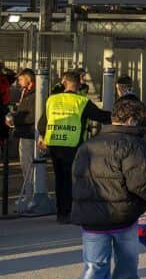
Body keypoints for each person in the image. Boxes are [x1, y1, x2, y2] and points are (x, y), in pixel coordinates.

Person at [71, 96, 146, 279]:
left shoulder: (88, 144)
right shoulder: (132, 145)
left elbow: (76, 178)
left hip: (92, 219)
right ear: (132, 120)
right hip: (124, 216)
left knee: (94, 268)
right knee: (127, 265)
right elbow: (139, 183)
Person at [37, 70, 111, 223]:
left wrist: (43, 138)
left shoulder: (52, 100)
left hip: (55, 145)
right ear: (79, 85)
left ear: (65, 83)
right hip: (73, 145)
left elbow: (41, 124)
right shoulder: (81, 102)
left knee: (60, 179)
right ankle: (70, 212)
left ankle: (61, 213)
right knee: (72, 179)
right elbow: (102, 116)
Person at [6, 68, 39, 213]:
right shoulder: (26, 93)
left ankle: (32, 197)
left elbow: (32, 116)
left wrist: (14, 119)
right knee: (25, 167)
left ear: (29, 79)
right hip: (24, 133)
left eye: (20, 79)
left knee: (29, 167)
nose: (18, 82)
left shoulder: (34, 95)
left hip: (29, 135)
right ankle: (28, 195)